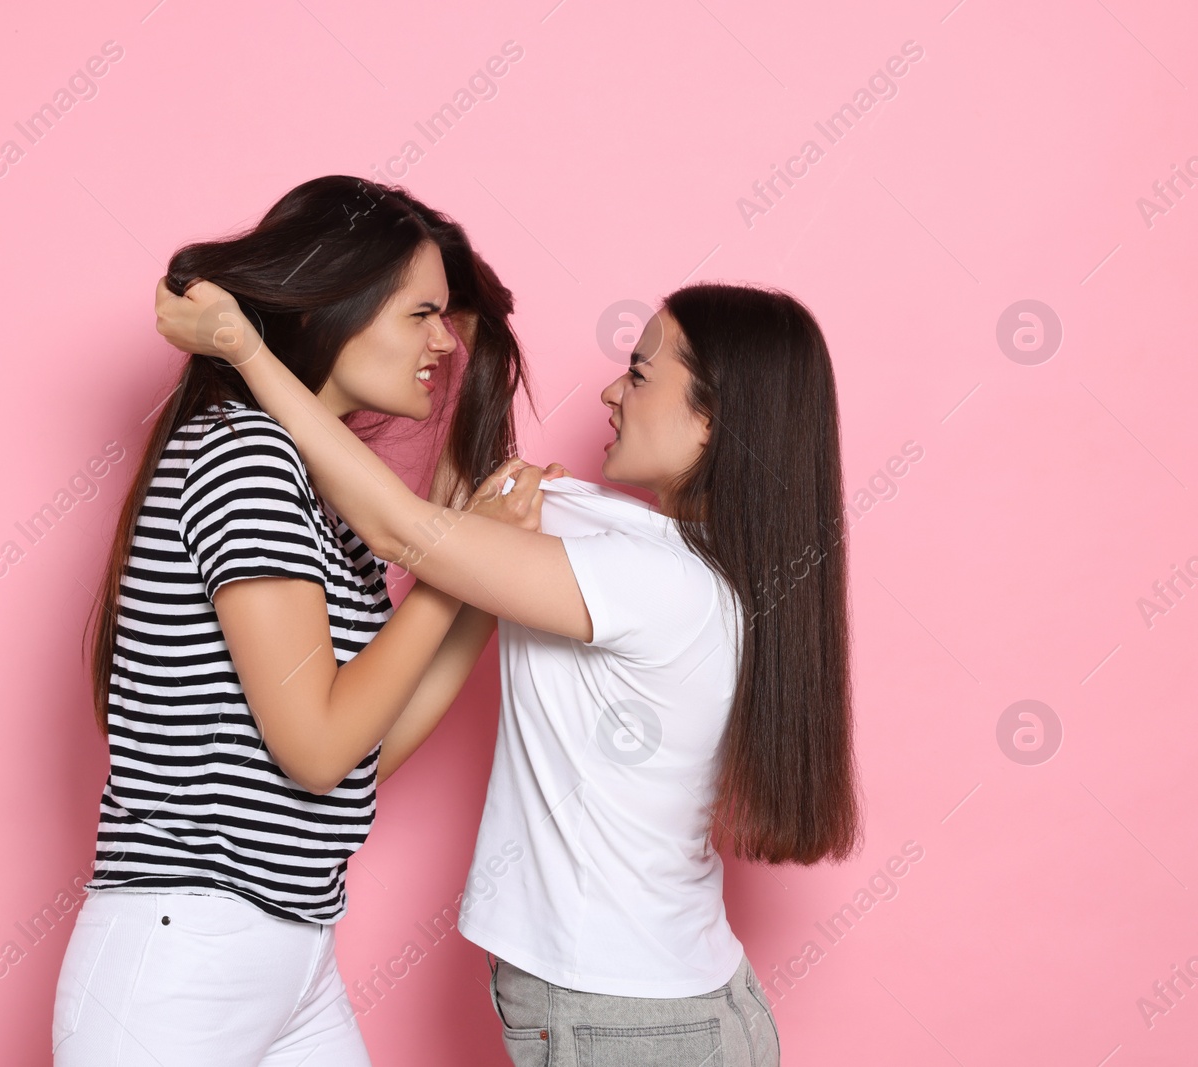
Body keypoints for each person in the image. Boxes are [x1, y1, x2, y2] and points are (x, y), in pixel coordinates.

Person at [156, 276, 865, 1067]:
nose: (609, 389)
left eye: (637, 374)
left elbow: (402, 526)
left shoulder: (655, 582)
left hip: (630, 1022)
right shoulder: (668, 554)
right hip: (673, 1005)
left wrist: (244, 349)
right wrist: (457, 320)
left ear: (711, 421)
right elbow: (473, 488)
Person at [54, 176, 561, 1066]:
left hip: (286, 945)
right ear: (338, 304)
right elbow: (318, 747)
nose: (443, 343)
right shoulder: (247, 455)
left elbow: (361, 754)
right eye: (421, 314)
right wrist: (453, 562)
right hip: (184, 952)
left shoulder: (320, 493)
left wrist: (484, 587)